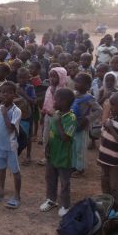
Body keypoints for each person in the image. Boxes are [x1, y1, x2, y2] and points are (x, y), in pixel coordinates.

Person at [39, 88, 76, 217]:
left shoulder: (70, 118)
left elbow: (66, 138)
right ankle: (51, 200)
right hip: (52, 154)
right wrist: (47, 146)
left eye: (56, 99)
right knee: (50, 178)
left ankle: (66, 205)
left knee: (65, 182)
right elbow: (51, 132)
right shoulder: (57, 114)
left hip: (64, 157)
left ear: (64, 102)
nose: (53, 101)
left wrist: (59, 122)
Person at [0, 82, 22, 209]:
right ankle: (0, 191)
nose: (5, 94)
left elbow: (11, 128)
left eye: (8, 92)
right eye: (2, 92)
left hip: (10, 147)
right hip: (0, 145)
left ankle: (17, 195)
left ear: (14, 94)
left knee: (15, 171)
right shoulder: (0, 107)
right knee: (1, 169)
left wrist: (5, 113)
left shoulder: (16, 111)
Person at [38, 67, 67, 166]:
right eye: (50, 76)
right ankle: (46, 156)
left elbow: (61, 105)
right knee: (46, 136)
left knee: (55, 137)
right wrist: (42, 114)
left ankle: (56, 156)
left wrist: (54, 91)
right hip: (47, 116)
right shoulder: (49, 88)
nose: (52, 79)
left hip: (58, 118)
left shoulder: (63, 91)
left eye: (55, 76)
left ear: (61, 77)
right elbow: (46, 102)